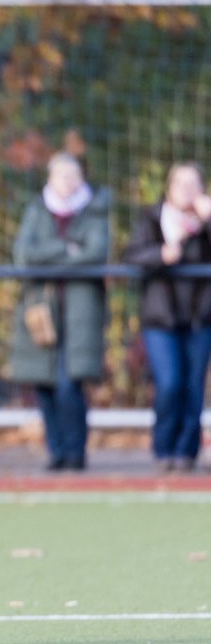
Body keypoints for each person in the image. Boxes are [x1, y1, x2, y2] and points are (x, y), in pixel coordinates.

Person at [10, 152, 110, 472]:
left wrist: (50, 257)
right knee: (45, 383)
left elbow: (95, 253)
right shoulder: (36, 210)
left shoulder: (95, 212)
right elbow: (25, 256)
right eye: (61, 176)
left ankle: (75, 451)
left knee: (70, 384)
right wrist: (68, 249)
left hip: (80, 312)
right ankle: (55, 451)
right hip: (41, 309)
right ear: (50, 179)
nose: (67, 183)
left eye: (73, 176)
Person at [122, 161, 211, 473]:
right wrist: (160, 255)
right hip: (161, 320)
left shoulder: (206, 224)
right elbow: (132, 255)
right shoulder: (152, 219)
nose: (186, 191)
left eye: (193, 184)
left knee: (193, 387)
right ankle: (163, 448)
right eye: (180, 184)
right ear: (169, 188)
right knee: (170, 383)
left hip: (200, 319)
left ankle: (187, 452)